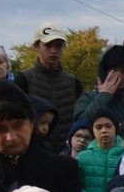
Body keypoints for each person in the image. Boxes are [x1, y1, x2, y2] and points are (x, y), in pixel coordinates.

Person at [14, 25, 83, 153]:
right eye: (48, 46)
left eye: (58, 46)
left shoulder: (74, 82)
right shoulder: (23, 79)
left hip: (67, 149)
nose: (53, 51)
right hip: (33, 149)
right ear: (36, 46)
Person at [76, 107, 124, 192]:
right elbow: (75, 185)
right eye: (98, 127)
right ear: (92, 131)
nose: (104, 131)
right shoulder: (82, 157)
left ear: (116, 128)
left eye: (108, 126)